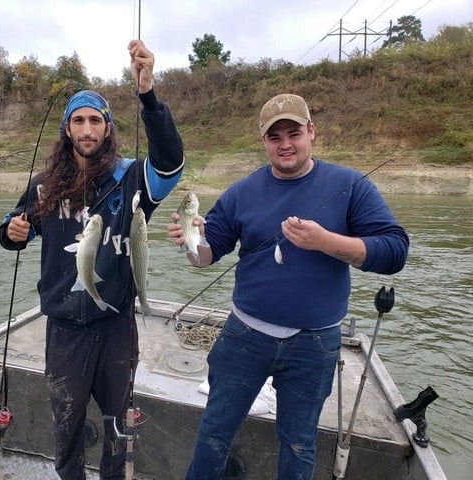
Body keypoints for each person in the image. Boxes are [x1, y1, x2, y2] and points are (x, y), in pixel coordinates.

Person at [168, 93, 409, 480]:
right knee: (214, 432)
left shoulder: (350, 185)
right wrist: (189, 244)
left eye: (293, 133)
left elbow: (395, 251)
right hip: (244, 336)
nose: (285, 144)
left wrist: (325, 242)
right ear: (263, 141)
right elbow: (206, 256)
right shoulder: (240, 192)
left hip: (314, 345)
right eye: (274, 136)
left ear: (311, 132)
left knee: (299, 443)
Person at [0, 40, 184, 480]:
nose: (86, 129)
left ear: (107, 128)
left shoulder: (131, 179)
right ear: (67, 130)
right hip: (64, 331)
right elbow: (13, 228)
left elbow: (171, 163)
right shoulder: (45, 186)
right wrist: (12, 231)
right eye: (78, 121)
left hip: (115, 326)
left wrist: (148, 96)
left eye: (94, 121)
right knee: (66, 426)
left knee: (118, 426)